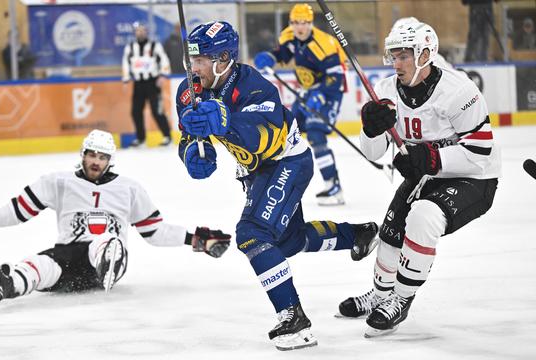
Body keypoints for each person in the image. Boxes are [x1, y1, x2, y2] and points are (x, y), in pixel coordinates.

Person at [175, 21, 379, 351]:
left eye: (200, 60)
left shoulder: (255, 86)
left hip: (287, 162)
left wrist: (225, 120)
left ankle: (293, 317)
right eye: (191, 60)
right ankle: (358, 235)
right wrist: (194, 153)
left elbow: (263, 136)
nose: (192, 68)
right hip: (256, 173)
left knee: (253, 234)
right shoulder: (190, 90)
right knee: (288, 243)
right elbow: (189, 134)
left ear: (223, 58)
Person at [337, 22, 500, 337]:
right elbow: (374, 153)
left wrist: (432, 158)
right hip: (427, 174)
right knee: (389, 234)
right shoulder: (386, 91)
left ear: (425, 54)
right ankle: (381, 295)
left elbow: (480, 153)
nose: (395, 64)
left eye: (403, 56)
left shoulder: (459, 91)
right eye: (392, 56)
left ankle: (401, 298)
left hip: (473, 178)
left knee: (424, 216)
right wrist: (371, 129)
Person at [0, 129, 231, 303]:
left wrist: (196, 239)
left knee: (104, 241)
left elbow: (154, 231)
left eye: (103, 157)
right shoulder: (59, 182)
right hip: (67, 259)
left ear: (111, 160)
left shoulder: (129, 189)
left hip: (104, 265)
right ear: (82, 154)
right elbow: (20, 209)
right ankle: (5, 286)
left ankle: (108, 260)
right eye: (92, 155)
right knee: (39, 264)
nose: (96, 161)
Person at [253, 3, 348, 206]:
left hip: (329, 93)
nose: (299, 27)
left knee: (315, 135)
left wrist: (320, 96)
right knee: (287, 131)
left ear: (311, 23)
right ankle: (282, 183)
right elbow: (284, 53)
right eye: (295, 22)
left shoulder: (326, 44)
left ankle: (334, 186)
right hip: (307, 91)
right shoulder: (289, 36)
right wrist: (271, 57)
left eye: (304, 22)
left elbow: (336, 78)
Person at [122, 22, 172, 147]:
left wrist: (162, 75)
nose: (140, 32)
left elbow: (164, 60)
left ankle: (167, 137)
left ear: (146, 32)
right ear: (135, 32)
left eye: (143, 30)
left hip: (153, 83)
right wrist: (126, 79)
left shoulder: (155, 46)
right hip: (138, 83)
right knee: (136, 111)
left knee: (157, 110)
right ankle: (141, 139)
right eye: (138, 30)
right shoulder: (130, 47)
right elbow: (125, 63)